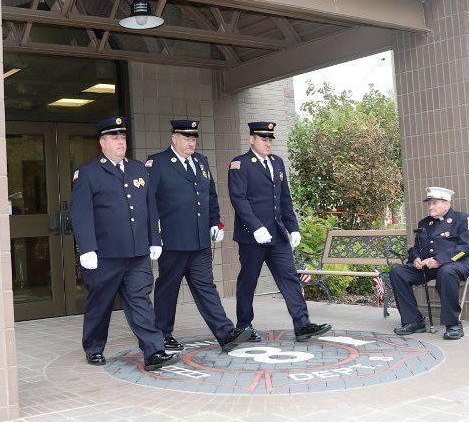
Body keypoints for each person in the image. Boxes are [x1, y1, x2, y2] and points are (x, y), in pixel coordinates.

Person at [69, 116, 177, 371]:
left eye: (123, 137)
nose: (121, 142)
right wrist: (86, 248)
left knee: (140, 299)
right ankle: (93, 347)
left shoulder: (139, 169)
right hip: (105, 254)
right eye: (115, 138)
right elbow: (81, 213)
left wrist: (155, 239)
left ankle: (154, 351)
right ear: (102, 142)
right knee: (101, 302)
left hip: (137, 252)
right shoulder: (87, 173)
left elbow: (150, 207)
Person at [147, 120, 248, 354]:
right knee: (168, 288)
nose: (191, 142)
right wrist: (154, 236)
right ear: (174, 139)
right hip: (172, 241)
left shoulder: (201, 162)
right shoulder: (158, 163)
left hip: (200, 241)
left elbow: (210, 195)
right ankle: (163, 333)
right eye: (186, 138)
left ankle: (225, 333)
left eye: (194, 138)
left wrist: (215, 222)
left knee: (206, 287)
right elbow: (148, 203)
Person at [227, 121, 331, 341]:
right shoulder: (240, 164)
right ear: (252, 139)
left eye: (270, 139)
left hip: (277, 234)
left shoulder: (277, 162)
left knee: (290, 278)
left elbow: (285, 199)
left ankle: (302, 325)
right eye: (263, 139)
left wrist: (293, 228)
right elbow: (239, 199)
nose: (268, 143)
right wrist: (255, 227)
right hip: (253, 237)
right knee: (249, 280)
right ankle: (244, 325)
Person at [389, 186, 469, 340]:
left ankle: (453, 325)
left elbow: (464, 248)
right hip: (427, 266)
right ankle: (413, 321)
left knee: (446, 272)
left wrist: (438, 261)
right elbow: (416, 248)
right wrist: (415, 258)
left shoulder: (463, 220)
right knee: (398, 272)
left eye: (434, 203)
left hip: (454, 265)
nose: (430, 206)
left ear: (447, 203)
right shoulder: (424, 223)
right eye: (429, 203)